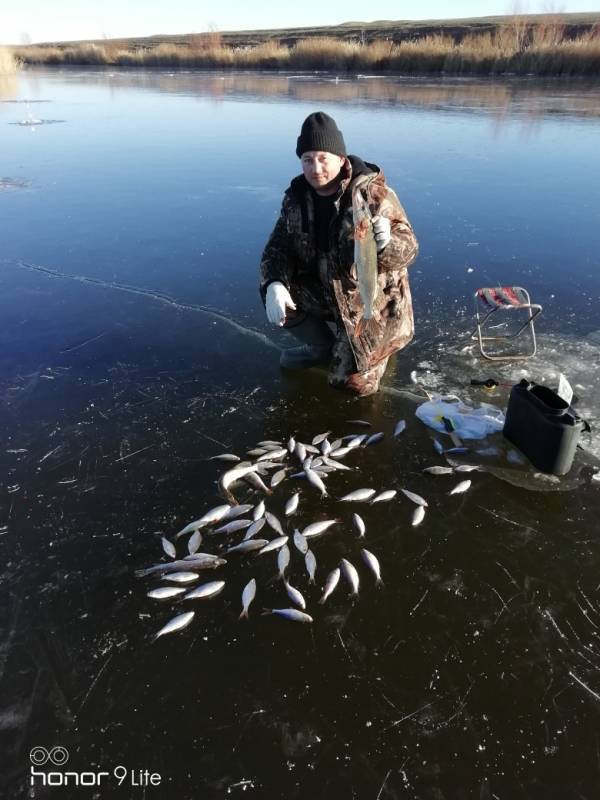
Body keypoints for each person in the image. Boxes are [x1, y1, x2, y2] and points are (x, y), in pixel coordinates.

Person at [259, 111, 418, 396]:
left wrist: (387, 242)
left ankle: (379, 350)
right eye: (307, 159)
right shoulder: (296, 198)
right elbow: (277, 247)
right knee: (275, 291)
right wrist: (274, 283)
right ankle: (323, 347)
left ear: (341, 159)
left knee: (350, 385)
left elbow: (409, 249)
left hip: (372, 303)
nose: (315, 168)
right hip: (329, 292)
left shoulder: (371, 195)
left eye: (323, 158)